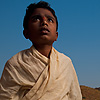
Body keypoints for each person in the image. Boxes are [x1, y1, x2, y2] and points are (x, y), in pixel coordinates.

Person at [0, 1, 82, 100]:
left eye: (50, 20)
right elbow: (5, 97)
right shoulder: (15, 64)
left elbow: (75, 96)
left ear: (56, 35)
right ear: (26, 33)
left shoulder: (65, 63)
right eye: (36, 19)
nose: (44, 22)